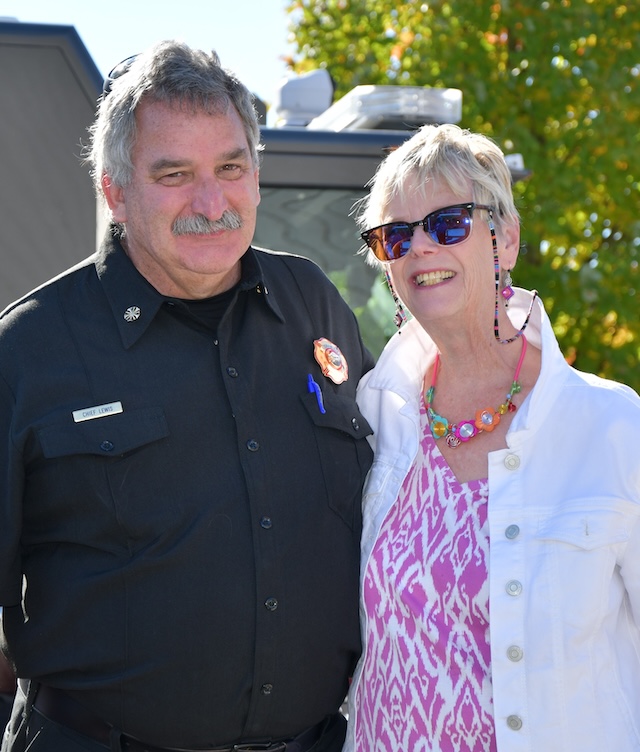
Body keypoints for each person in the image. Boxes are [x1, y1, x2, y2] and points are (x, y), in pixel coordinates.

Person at [0, 40, 375, 752]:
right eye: (174, 174)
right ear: (114, 190)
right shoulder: (28, 351)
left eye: (231, 167)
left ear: (257, 174)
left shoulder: (314, 306)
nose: (212, 202)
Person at [343, 123, 640, 751]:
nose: (420, 247)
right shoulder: (378, 420)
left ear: (505, 235)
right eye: (396, 235)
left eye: (449, 222)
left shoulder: (612, 427)